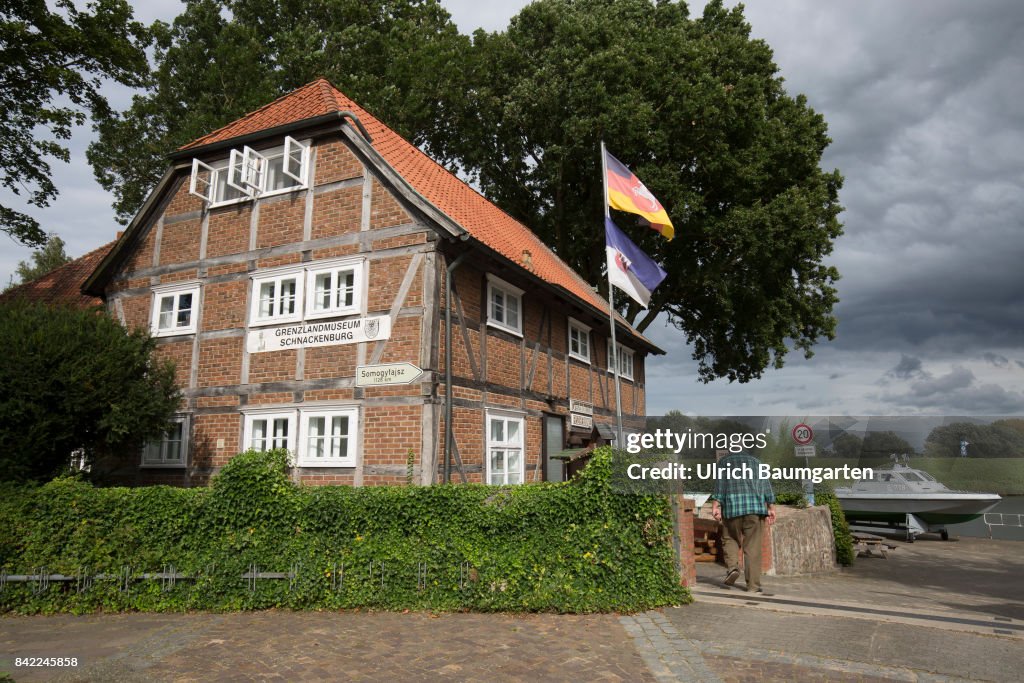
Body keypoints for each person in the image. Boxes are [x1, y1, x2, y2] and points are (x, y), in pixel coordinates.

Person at [709, 450, 776, 593]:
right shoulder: (757, 463)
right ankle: (753, 586)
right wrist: (771, 507)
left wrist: (715, 505)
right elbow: (766, 486)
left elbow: (720, 485)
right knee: (753, 548)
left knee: (729, 538)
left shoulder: (724, 462)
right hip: (755, 510)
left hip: (732, 509)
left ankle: (733, 568)